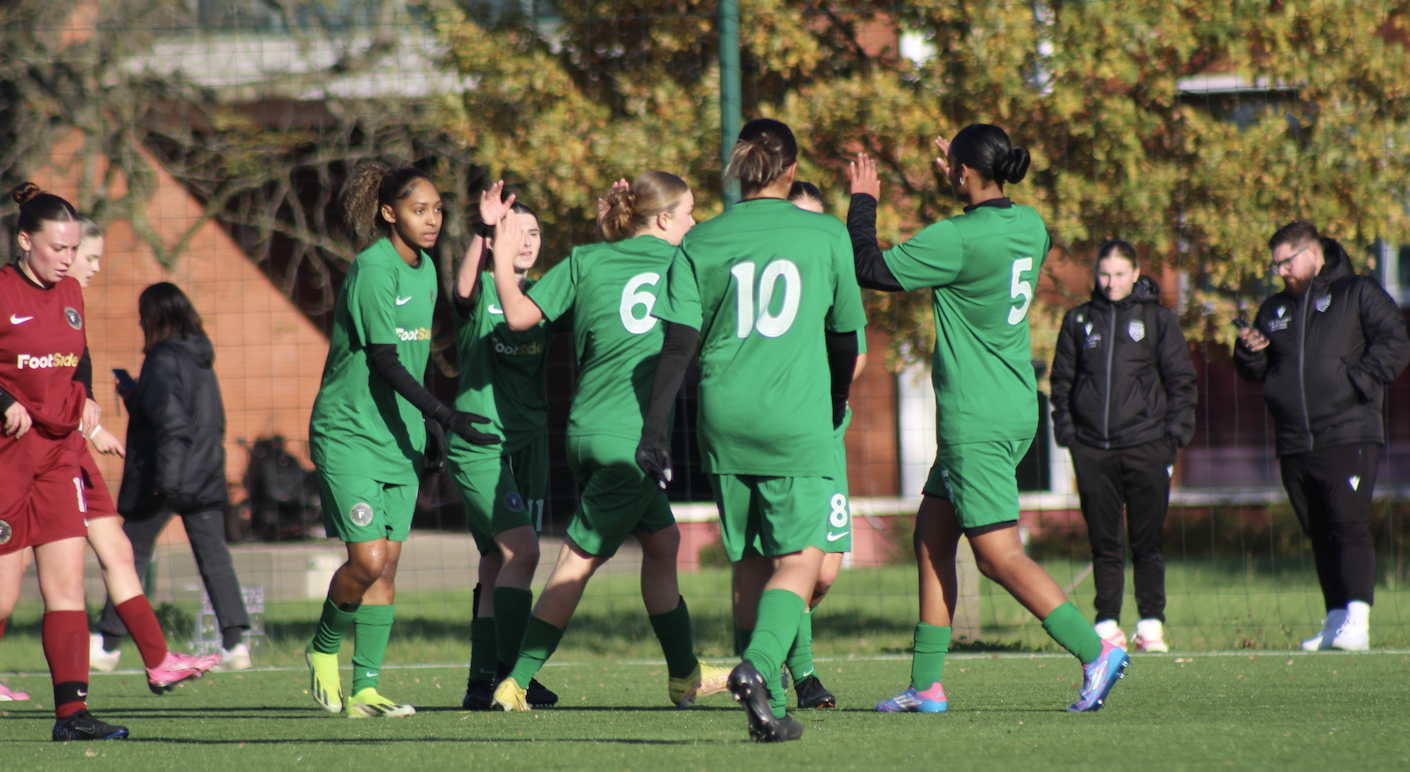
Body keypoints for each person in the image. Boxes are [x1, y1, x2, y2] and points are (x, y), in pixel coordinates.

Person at [847, 124, 1128, 715]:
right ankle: (926, 686)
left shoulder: (957, 237)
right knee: (931, 539)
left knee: (999, 556)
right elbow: (985, 227)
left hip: (975, 416)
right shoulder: (1029, 225)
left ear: (960, 173)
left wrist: (864, 199)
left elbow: (870, 268)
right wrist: (967, 168)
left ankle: (1094, 651)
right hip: (1011, 402)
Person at [639, 119, 868, 742]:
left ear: (738, 170)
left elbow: (678, 346)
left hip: (724, 418)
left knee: (747, 558)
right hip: (793, 417)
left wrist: (654, 429)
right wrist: (837, 397)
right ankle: (759, 669)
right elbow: (845, 336)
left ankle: (761, 709)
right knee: (801, 558)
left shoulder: (703, 240)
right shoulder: (824, 232)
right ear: (791, 172)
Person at [487, 172, 731, 711]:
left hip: (585, 432)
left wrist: (503, 257)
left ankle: (684, 673)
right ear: (664, 219)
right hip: (632, 441)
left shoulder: (586, 259)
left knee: (664, 544)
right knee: (576, 561)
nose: (695, 222)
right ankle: (516, 681)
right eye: (689, 212)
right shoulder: (683, 264)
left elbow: (519, 316)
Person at [304, 161, 499, 719]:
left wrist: (427, 425)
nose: (433, 219)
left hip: (400, 436)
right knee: (365, 560)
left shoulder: (427, 270)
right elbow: (385, 360)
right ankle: (322, 648)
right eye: (420, 210)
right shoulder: (373, 269)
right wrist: (445, 413)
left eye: (438, 210)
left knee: (387, 567)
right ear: (389, 214)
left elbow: (414, 358)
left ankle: (365, 689)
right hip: (348, 433)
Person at [0, 219, 219, 697]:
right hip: (25, 453)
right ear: (35, 245)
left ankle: (155, 662)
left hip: (67, 452)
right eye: (85, 256)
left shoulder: (69, 299)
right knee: (9, 586)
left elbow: (79, 358)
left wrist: (91, 412)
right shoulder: (21, 294)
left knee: (114, 554)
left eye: (87, 253)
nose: (92, 266)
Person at [720, 180, 868, 711]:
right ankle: (794, 677)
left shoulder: (828, 267)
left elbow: (857, 355)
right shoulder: (762, 264)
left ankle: (769, 662)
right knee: (776, 558)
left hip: (823, 433)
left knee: (821, 570)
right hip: (782, 429)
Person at [1234, 221, 1410, 651]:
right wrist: (1249, 352)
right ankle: (1335, 620)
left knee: (1348, 524)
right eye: (1275, 266)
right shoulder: (1275, 309)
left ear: (1313, 254)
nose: (1281, 273)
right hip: (1295, 439)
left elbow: (1394, 342)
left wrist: (1357, 384)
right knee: (1319, 530)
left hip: (1348, 431)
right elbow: (1258, 372)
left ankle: (1359, 620)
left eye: (1287, 262)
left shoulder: (1357, 292)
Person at [0, 183, 127, 740]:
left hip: (56, 459)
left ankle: (71, 717)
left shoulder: (71, 293)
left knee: (68, 582)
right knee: (3, 594)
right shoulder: (2, 291)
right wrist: (3, 402)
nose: (69, 260)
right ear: (25, 241)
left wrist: (88, 395)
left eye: (74, 249)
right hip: (6, 460)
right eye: (59, 249)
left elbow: (80, 357)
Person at [1049, 239, 1196, 653]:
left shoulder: (1158, 321)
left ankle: (1151, 626)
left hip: (1148, 446)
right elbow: (1061, 382)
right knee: (1103, 541)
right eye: (1103, 274)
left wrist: (1173, 437)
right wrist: (1069, 433)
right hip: (1093, 449)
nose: (1110, 283)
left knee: (1147, 541)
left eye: (1118, 274)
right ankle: (1107, 624)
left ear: (1135, 274)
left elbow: (1181, 381)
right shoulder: (1078, 321)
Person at [96, 282, 251, 674]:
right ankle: (236, 644)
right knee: (214, 557)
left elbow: (172, 423)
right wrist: (136, 398)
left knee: (125, 556)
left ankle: (109, 645)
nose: (138, 321)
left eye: (142, 314)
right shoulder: (199, 357)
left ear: (154, 316)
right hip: (202, 473)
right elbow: (195, 418)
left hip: (167, 475)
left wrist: (164, 482)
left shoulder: (163, 358)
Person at [450, 183, 558, 710]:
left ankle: (482, 681)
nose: (527, 240)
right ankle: (513, 674)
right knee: (523, 552)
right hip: (481, 445)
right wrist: (483, 227)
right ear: (496, 240)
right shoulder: (481, 294)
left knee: (497, 563)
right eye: (517, 231)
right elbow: (463, 291)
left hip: (530, 446)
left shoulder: (542, 293)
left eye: (534, 232)